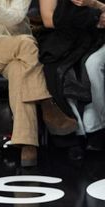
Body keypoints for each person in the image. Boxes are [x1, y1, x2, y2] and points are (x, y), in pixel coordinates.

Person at [0, 0, 78, 167]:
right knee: (27, 44)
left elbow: (17, 18)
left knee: (20, 70)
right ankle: (47, 103)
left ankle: (28, 144)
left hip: (19, 51)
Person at [38, 0, 105, 155]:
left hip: (94, 36)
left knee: (89, 66)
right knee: (58, 70)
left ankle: (95, 128)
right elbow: (49, 20)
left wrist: (96, 7)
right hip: (64, 36)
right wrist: (92, 17)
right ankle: (76, 132)